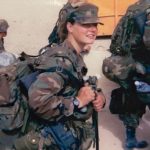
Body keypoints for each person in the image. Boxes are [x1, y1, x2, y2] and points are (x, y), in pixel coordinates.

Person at [13, 2, 106, 150]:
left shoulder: (71, 54)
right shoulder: (61, 61)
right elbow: (39, 101)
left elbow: (72, 86)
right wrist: (77, 102)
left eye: (95, 25)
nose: (93, 29)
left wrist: (97, 96)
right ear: (70, 27)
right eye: (85, 25)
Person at [102, 0, 150, 149]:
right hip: (143, 63)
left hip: (127, 63)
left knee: (132, 98)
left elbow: (116, 36)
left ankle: (130, 140)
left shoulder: (133, 7)